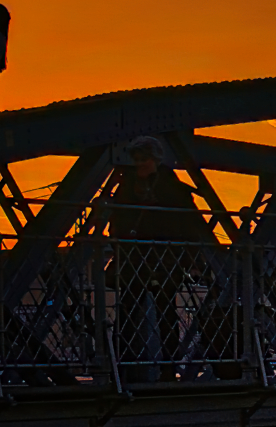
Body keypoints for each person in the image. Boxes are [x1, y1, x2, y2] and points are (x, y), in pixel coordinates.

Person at [109, 136, 212, 381]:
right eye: (137, 159)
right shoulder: (161, 186)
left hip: (162, 259)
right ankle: (125, 364)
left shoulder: (165, 187)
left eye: (143, 158)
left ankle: (164, 366)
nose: (140, 163)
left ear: (155, 159)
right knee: (132, 310)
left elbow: (189, 225)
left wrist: (191, 259)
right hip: (139, 259)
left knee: (163, 311)